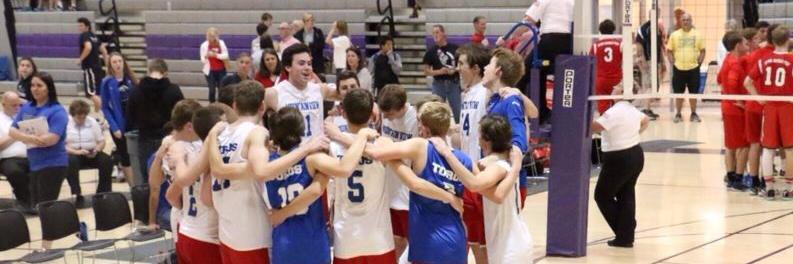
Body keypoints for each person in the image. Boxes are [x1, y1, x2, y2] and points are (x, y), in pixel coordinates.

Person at [188, 81, 328, 263]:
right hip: (252, 233)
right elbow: (262, 171)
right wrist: (305, 149)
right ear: (262, 106)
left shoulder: (220, 134)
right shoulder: (257, 132)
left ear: (235, 105)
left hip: (227, 232)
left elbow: (207, 196)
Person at [263, 107, 374, 264]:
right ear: (301, 129)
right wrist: (361, 137)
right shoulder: (312, 159)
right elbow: (344, 169)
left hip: (284, 240)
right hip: (312, 239)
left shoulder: (268, 163)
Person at [371, 102, 469, 263]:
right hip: (456, 239)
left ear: (425, 128)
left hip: (429, 241)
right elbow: (477, 183)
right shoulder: (463, 159)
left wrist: (379, 140)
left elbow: (377, 153)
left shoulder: (420, 146)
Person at [430, 115, 532, 263]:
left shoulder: (500, 167)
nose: (477, 140)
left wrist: (447, 154)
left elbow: (475, 185)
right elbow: (488, 189)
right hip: (511, 243)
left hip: (511, 247)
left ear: (486, 141)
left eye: (479, 135)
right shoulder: (506, 160)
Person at [159, 100, 223, 263]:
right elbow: (207, 199)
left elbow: (170, 195)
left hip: (185, 231)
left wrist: (184, 207)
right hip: (207, 237)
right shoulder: (209, 156)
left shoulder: (183, 151)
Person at [591, 91, 650, 248]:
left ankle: (626, 229)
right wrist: (633, 134)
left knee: (602, 195)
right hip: (636, 153)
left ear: (622, 93)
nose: (613, 88)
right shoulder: (631, 109)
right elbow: (646, 120)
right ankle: (625, 236)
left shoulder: (615, 111)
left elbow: (594, 127)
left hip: (618, 158)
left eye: (617, 87)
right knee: (626, 194)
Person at [744, 26, 793, 200]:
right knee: (790, 149)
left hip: (770, 107)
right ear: (788, 40)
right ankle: (789, 189)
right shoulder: (792, 59)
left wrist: (758, 99)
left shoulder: (763, 60)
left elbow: (747, 82)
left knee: (768, 149)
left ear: (771, 40)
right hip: (788, 106)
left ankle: (770, 188)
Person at [8, 72, 69, 206]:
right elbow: (12, 131)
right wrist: (30, 138)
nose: (35, 89)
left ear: (48, 88)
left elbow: (51, 139)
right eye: (33, 85)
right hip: (34, 164)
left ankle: (69, 227)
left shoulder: (57, 111)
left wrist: (24, 138)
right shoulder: (27, 107)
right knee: (38, 206)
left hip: (53, 164)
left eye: (39, 85)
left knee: (46, 206)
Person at [455, 43, 492, 263]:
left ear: (476, 68)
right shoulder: (466, 94)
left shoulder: (486, 93)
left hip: (481, 174)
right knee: (469, 237)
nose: (458, 68)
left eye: (461, 64)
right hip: (466, 173)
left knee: (480, 242)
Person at [484, 48, 533, 206]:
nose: (485, 68)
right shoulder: (495, 100)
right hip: (495, 176)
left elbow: (519, 140)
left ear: (498, 71)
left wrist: (512, 164)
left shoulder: (511, 100)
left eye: (489, 64)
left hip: (508, 181)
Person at [374, 84, 417, 258]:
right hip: (389, 188)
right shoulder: (385, 113)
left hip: (408, 191)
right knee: (395, 239)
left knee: (413, 241)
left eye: (390, 114)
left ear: (402, 107)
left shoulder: (416, 119)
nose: (386, 117)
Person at [265, 44, 340, 142]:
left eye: (309, 63)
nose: (307, 67)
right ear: (288, 67)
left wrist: (339, 108)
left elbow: (349, 96)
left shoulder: (320, 89)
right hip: (291, 153)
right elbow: (252, 117)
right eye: (301, 63)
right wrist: (265, 141)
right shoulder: (273, 93)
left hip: (317, 151)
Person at [127, 59, 184, 185]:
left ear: (149, 71)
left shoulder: (136, 91)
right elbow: (182, 115)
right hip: (168, 139)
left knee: (147, 178)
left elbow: (130, 118)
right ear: (165, 73)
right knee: (170, 176)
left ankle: (148, 204)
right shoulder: (174, 90)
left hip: (145, 138)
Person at [524, 0, 574, 124]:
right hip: (568, 42)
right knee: (557, 74)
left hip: (550, 40)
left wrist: (503, 39)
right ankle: (555, 114)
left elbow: (528, 19)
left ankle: (529, 111)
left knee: (523, 71)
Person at [743, 24, 776, 196]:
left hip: (752, 104)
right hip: (767, 106)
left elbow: (746, 79)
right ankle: (766, 181)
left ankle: (754, 181)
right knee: (767, 147)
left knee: (754, 144)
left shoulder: (754, 55)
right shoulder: (776, 56)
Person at [717, 31, 750, 190]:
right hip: (735, 109)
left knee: (730, 145)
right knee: (744, 144)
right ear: (737, 46)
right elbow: (731, 84)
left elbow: (719, 80)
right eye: (744, 43)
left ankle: (731, 177)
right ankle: (737, 179)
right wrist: (741, 103)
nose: (747, 46)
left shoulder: (727, 59)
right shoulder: (735, 64)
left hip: (727, 107)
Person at [65, 100, 113, 206]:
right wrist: (76, 152)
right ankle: (77, 192)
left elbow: (101, 141)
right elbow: (62, 146)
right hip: (74, 153)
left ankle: (102, 192)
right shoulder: (66, 124)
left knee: (107, 160)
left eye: (84, 116)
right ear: (73, 115)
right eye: (79, 116)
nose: (82, 119)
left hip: (91, 152)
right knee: (70, 161)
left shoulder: (92, 122)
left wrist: (97, 149)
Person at [100, 52, 135, 185]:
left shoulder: (131, 79)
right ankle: (132, 186)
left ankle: (139, 182)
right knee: (125, 155)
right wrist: (114, 127)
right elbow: (105, 107)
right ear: (110, 64)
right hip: (118, 125)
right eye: (114, 62)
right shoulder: (107, 82)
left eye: (119, 61)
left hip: (133, 123)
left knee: (135, 154)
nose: (118, 64)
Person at [668, 13, 706, 123]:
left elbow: (703, 50)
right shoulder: (674, 35)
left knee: (693, 93)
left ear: (691, 21)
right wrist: (672, 61)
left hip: (693, 68)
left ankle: (693, 114)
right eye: (683, 20)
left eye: (688, 20)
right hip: (678, 68)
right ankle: (678, 114)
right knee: (678, 93)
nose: (685, 22)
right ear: (680, 21)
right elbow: (669, 50)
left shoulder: (697, 34)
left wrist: (699, 62)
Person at [0, 92, 32, 213]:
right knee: (15, 171)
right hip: (7, 158)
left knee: (44, 167)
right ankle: (25, 202)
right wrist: (15, 134)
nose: (17, 108)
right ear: (4, 104)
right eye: (13, 105)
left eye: (19, 105)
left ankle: (40, 201)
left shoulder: (24, 117)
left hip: (29, 154)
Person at [423, 25, 461, 122]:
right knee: (436, 111)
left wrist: (455, 70)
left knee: (458, 111)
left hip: (453, 83)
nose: (435, 35)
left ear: (443, 33)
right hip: (438, 84)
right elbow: (426, 71)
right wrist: (439, 72)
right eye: (433, 33)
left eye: (437, 32)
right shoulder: (431, 51)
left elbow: (462, 65)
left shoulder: (455, 48)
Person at [634, 15, 668, 120]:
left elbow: (659, 47)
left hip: (655, 61)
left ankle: (647, 109)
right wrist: (642, 59)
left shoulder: (657, 29)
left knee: (653, 85)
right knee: (649, 85)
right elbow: (639, 45)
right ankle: (645, 110)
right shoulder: (643, 28)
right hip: (648, 61)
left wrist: (662, 61)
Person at [590, 19, 623, 114]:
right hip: (616, 79)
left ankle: (604, 124)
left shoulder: (595, 46)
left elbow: (591, 62)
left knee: (603, 103)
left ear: (600, 31)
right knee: (617, 104)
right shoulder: (619, 44)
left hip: (601, 79)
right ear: (613, 30)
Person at [77, 17, 106, 111]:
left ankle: (104, 111)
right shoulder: (95, 36)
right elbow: (104, 51)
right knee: (97, 94)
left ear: (87, 26)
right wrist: (108, 65)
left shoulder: (84, 35)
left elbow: (88, 47)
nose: (79, 28)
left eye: (81, 25)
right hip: (98, 68)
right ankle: (98, 114)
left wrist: (80, 59)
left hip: (89, 68)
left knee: (90, 94)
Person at [200, 27, 229, 103]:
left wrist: (216, 55)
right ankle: (211, 105)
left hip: (221, 70)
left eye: (213, 36)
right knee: (212, 90)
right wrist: (206, 56)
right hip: (210, 71)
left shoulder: (221, 43)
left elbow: (226, 55)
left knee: (221, 89)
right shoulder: (204, 45)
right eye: (209, 36)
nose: (211, 38)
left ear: (216, 36)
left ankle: (221, 105)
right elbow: (202, 60)